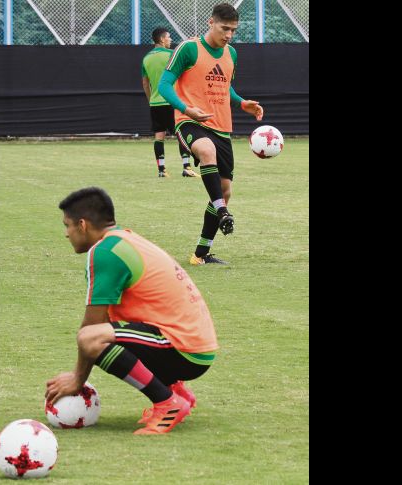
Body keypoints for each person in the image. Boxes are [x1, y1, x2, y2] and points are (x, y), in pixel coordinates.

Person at [45, 187, 218, 435]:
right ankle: (177, 392)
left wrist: (77, 380)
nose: (66, 234)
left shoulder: (105, 252)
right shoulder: (124, 240)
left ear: (82, 225)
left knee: (90, 338)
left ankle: (167, 403)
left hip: (185, 348)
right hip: (196, 345)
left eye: (67, 226)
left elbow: (92, 329)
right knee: (109, 331)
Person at [158, 3, 264, 265]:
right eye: (224, 28)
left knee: (224, 190)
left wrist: (241, 103)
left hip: (222, 126)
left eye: (233, 30)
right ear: (211, 23)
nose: (228, 35)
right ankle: (223, 211)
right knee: (207, 151)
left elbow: (225, 87)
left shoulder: (232, 54)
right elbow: (164, 84)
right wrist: (186, 109)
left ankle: (200, 255)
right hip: (189, 121)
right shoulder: (189, 48)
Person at [141, 27, 197, 178]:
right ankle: (187, 167)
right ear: (161, 39)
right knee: (181, 133)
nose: (170, 40)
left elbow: (145, 83)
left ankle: (162, 170)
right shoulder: (171, 55)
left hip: (155, 103)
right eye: (169, 37)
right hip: (172, 101)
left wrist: (151, 100)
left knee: (159, 136)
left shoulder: (146, 58)